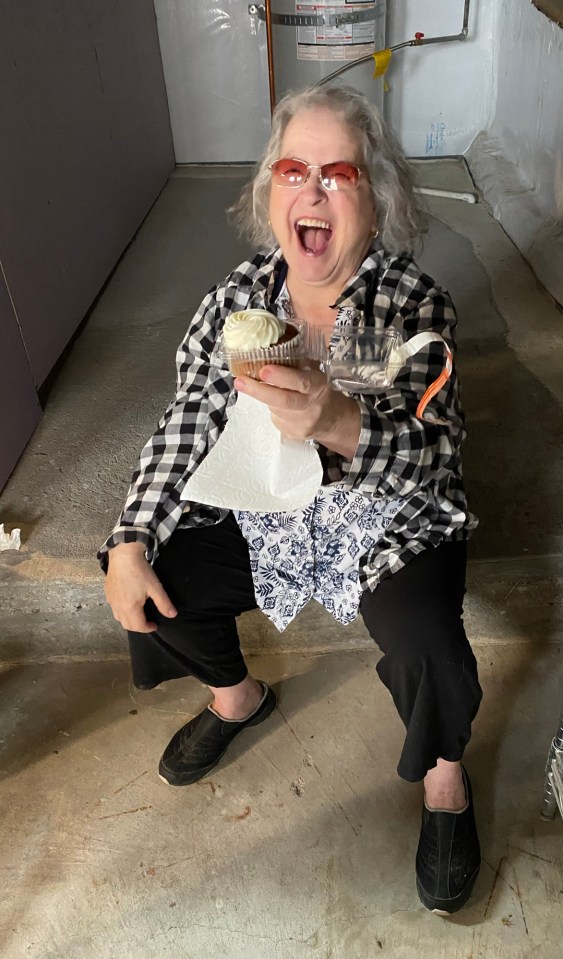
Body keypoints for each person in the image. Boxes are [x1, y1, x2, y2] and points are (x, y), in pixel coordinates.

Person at [100, 85, 482, 916]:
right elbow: (189, 421)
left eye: (338, 172)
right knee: (150, 578)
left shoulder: (415, 306)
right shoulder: (235, 303)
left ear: (376, 201)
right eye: (292, 170)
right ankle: (236, 696)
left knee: (427, 645)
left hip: (386, 513)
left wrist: (341, 420)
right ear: (268, 195)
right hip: (271, 513)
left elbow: (433, 456)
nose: (312, 189)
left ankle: (446, 777)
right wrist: (129, 537)